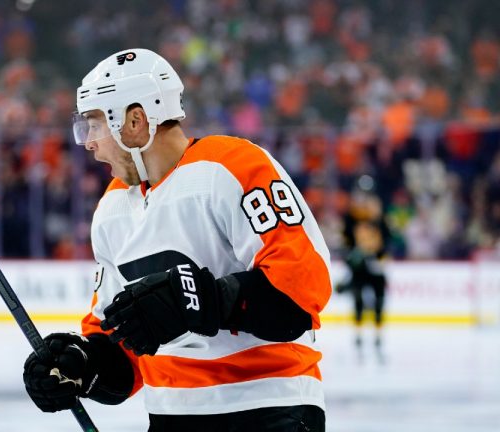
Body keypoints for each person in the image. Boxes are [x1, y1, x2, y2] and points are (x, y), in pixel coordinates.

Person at [23, 48, 332, 431]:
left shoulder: (232, 166)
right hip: (171, 417)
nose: (88, 142)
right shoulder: (112, 208)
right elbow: (124, 355)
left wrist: (197, 299)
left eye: (95, 124)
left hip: (268, 407)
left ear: (134, 121)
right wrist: (81, 364)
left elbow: (300, 293)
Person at [337, 178, 390, 363]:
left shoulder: (379, 216)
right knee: (358, 299)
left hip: (376, 265)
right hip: (359, 268)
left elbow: (388, 239)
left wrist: (381, 257)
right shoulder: (351, 217)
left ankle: (377, 335)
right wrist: (352, 259)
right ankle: (359, 335)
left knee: (379, 300)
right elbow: (345, 242)